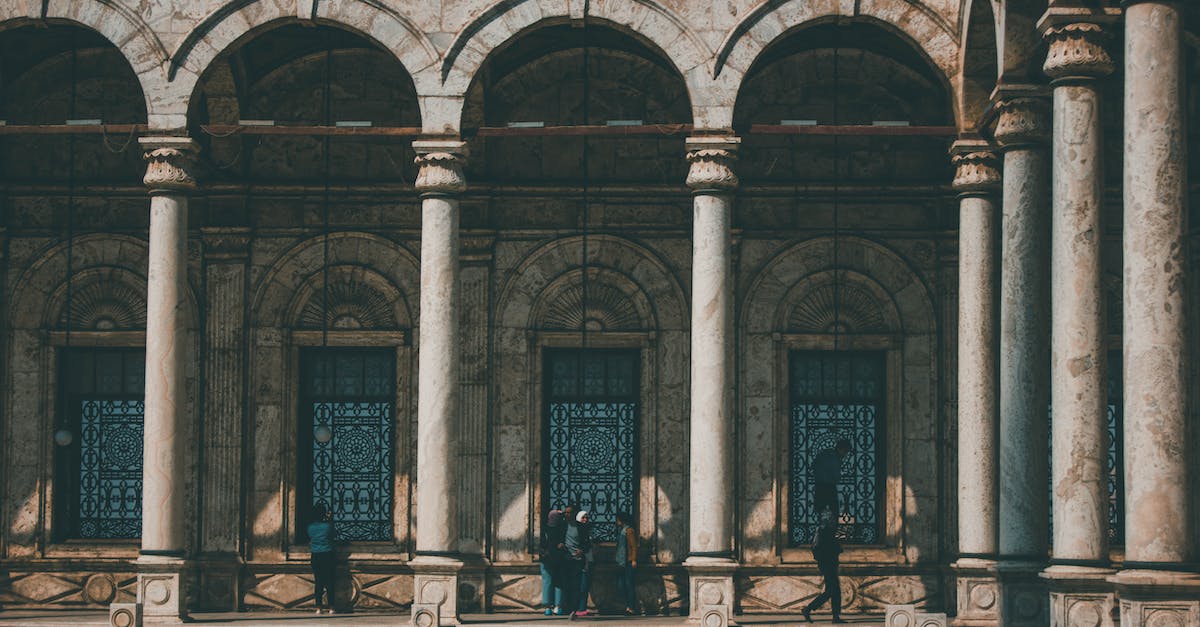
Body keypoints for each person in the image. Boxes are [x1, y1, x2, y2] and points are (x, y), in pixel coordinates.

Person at [802, 510, 844, 623]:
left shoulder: (822, 530)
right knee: (831, 590)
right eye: (833, 519)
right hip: (828, 564)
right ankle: (808, 608)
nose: (835, 521)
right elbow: (832, 548)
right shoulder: (826, 531)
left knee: (835, 590)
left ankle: (836, 617)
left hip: (827, 564)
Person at [308, 503, 337, 615]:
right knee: (330, 582)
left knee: (318, 582)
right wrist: (330, 518)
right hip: (328, 554)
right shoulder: (328, 526)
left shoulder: (310, 527)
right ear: (324, 514)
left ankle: (319, 607)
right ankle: (331, 607)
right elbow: (333, 535)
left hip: (315, 556)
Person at [563, 508, 592, 617]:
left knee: (576, 585)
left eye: (569, 512)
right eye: (565, 512)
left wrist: (582, 550)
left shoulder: (581, 527)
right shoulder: (562, 525)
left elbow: (587, 544)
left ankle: (574, 609)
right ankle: (568, 607)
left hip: (577, 560)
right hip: (566, 559)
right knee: (567, 584)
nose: (567, 514)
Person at [812, 438, 851, 518]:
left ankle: (823, 529)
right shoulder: (834, 459)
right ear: (841, 449)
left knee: (822, 515)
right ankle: (828, 530)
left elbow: (815, 467)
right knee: (832, 516)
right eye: (845, 451)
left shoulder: (825, 454)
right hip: (829, 489)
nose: (845, 455)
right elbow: (836, 477)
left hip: (819, 487)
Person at [539, 509, 567, 615]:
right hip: (552, 558)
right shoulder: (559, 528)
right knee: (552, 582)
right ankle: (551, 606)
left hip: (553, 558)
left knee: (552, 582)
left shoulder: (548, 528)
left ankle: (553, 606)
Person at [614, 511, 639, 616]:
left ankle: (631, 607)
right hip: (621, 562)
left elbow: (633, 546)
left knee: (629, 584)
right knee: (621, 585)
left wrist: (633, 559)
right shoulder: (621, 531)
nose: (616, 522)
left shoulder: (629, 531)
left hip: (628, 561)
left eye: (617, 519)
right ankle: (627, 605)